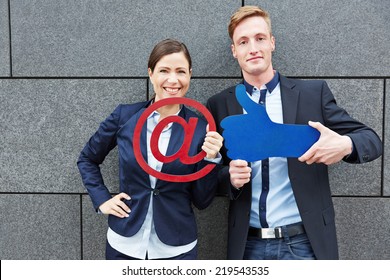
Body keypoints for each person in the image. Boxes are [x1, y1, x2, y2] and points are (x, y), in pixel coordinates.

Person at [206, 6, 382, 260]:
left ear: (272, 43)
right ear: (234, 51)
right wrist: (229, 177)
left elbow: (371, 140)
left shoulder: (312, 95)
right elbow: (212, 176)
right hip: (248, 245)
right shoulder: (220, 104)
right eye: (243, 42)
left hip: (304, 243)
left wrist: (344, 145)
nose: (253, 47)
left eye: (260, 38)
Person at [77, 39, 223, 260]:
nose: (173, 80)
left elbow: (202, 201)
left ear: (190, 75)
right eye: (164, 70)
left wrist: (211, 159)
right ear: (151, 73)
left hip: (176, 249)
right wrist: (102, 199)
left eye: (181, 71)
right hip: (123, 245)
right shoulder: (124, 117)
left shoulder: (201, 129)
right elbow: (87, 158)